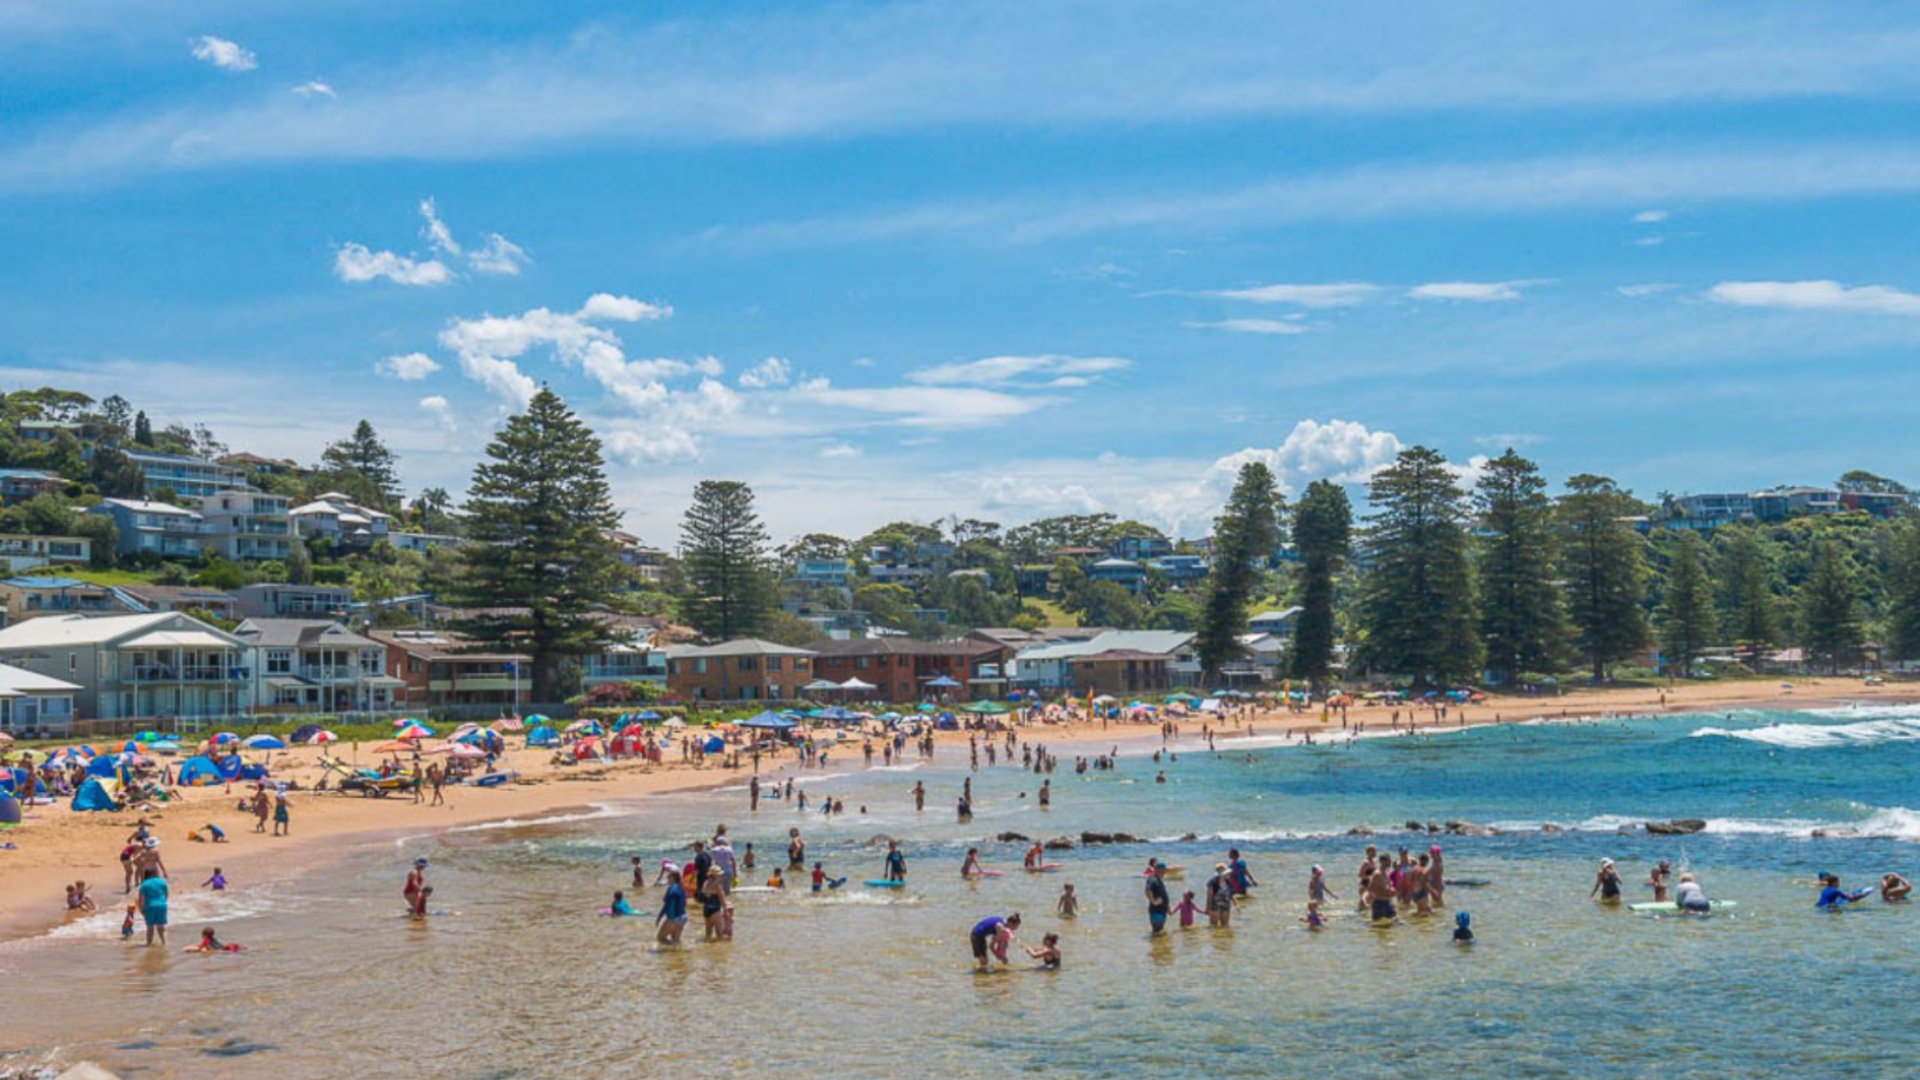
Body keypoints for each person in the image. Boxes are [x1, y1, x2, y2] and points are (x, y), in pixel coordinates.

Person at [137, 867, 169, 947]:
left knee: (150, 927)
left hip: (150, 906)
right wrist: (163, 902)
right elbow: (166, 894)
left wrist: (141, 909)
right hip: (162, 905)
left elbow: (141, 899)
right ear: (155, 873)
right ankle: (164, 943)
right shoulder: (162, 882)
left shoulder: (144, 884)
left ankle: (149, 944)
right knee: (161, 927)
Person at [656, 869, 688, 945]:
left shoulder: (671, 889)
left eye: (668, 877)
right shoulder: (681, 888)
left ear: (673, 878)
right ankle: (677, 951)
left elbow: (667, 905)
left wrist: (660, 917)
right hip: (683, 917)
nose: (667, 879)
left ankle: (671, 949)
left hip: (674, 918)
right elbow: (684, 903)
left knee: (660, 938)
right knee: (675, 939)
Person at [1145, 864, 1172, 934]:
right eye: (1164, 870)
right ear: (1158, 870)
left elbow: (1164, 895)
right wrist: (1153, 901)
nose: (1165, 872)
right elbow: (1148, 890)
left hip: (1162, 911)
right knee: (1157, 932)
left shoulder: (1158, 880)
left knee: (1160, 931)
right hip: (1156, 911)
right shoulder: (1152, 879)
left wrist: (1168, 908)